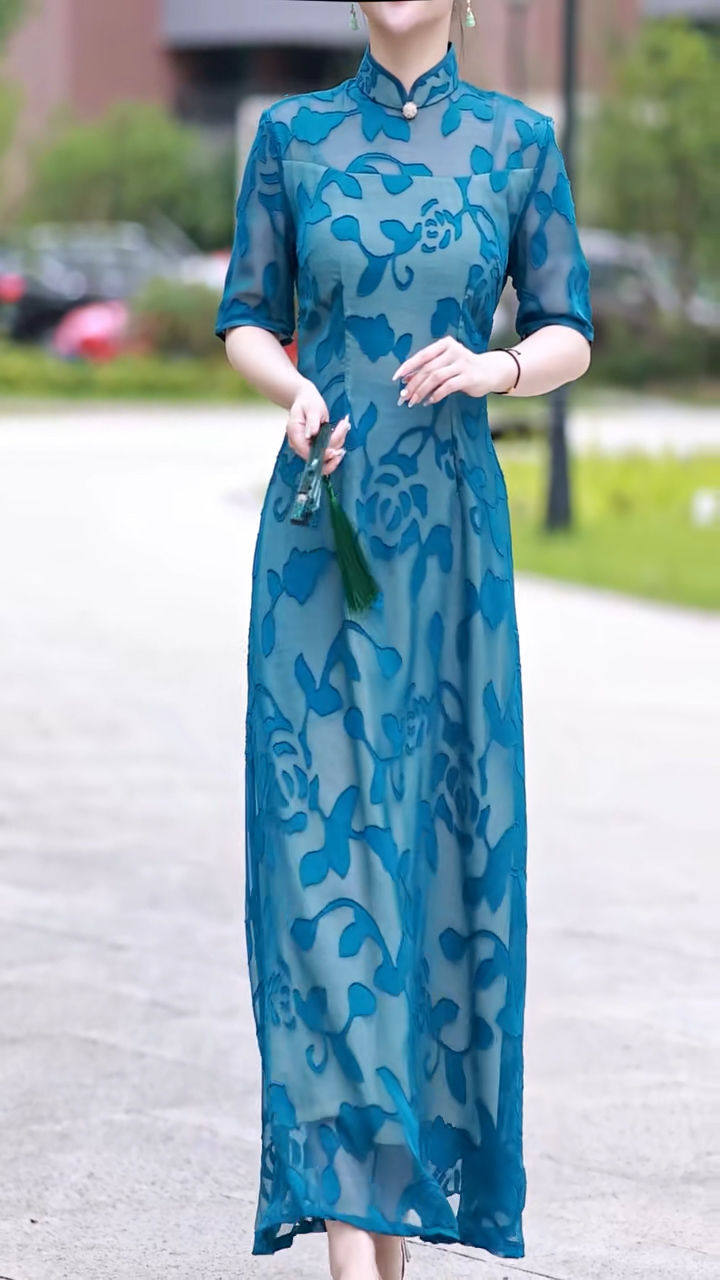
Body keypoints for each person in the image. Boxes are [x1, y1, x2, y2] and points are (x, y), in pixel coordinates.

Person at [214, 1, 593, 1277]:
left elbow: (570, 326)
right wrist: (291, 384)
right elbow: (247, 313)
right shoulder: (293, 136)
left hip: (449, 548)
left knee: (431, 863)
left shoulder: (517, 142)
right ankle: (350, 1237)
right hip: (321, 540)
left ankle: (388, 1226)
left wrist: (498, 369)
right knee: (319, 871)